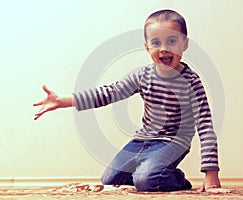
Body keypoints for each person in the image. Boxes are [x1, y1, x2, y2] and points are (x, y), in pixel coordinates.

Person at [34, 9, 222, 192]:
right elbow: (109, 92)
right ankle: (159, 171)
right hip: (142, 139)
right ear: (147, 47)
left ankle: (175, 179)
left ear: (184, 44)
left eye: (172, 41)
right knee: (109, 180)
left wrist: (211, 172)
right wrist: (63, 100)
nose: (164, 48)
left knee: (145, 181)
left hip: (174, 141)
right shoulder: (142, 76)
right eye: (156, 42)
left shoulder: (191, 82)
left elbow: (205, 126)